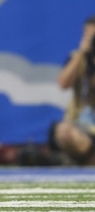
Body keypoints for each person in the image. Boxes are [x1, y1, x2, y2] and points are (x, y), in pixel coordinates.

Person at [48, 15, 95, 165]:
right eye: (88, 36)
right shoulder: (77, 58)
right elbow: (63, 84)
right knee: (63, 131)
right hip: (83, 125)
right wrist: (82, 52)